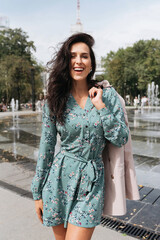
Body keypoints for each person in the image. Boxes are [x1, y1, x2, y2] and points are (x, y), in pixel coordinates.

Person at [31, 33, 129, 240]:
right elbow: (46, 147)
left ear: (91, 63)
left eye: (84, 56)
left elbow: (120, 138)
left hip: (91, 183)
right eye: (73, 56)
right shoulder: (55, 100)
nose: (78, 61)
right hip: (58, 181)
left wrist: (101, 107)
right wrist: (37, 192)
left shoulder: (107, 95)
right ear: (66, 62)